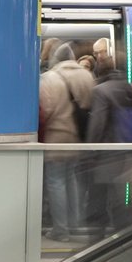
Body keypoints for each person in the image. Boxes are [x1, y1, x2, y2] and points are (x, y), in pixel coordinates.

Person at [83, 51, 132, 236]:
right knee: (122, 199)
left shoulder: (100, 91)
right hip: (130, 154)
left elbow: (97, 125)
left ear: (98, 72)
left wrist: (90, 151)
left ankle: (96, 240)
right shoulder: (129, 88)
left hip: (107, 155)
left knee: (98, 199)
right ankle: (124, 236)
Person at [38, 40, 94, 244]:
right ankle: (75, 225)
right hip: (79, 138)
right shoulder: (86, 75)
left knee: (56, 182)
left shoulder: (50, 78)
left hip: (57, 137)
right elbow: (90, 105)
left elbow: (46, 110)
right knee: (73, 180)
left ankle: (61, 230)